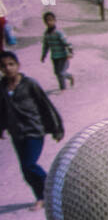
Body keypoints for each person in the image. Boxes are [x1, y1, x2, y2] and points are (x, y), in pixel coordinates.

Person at [0, 50, 63, 208]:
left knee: (30, 164)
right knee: (25, 170)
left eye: (11, 64)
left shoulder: (29, 84)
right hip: (16, 132)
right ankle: (41, 197)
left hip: (34, 130)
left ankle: (55, 189)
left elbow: (45, 105)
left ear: (18, 65)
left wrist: (57, 127)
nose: (8, 68)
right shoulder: (1, 86)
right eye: (3, 66)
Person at [39, 12, 75, 90]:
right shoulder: (46, 34)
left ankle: (63, 89)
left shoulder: (59, 32)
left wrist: (70, 52)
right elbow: (46, 46)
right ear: (44, 22)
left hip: (63, 56)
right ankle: (67, 80)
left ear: (55, 21)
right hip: (55, 57)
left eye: (51, 20)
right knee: (57, 73)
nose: (49, 22)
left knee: (61, 73)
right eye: (47, 20)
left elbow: (67, 43)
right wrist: (43, 56)